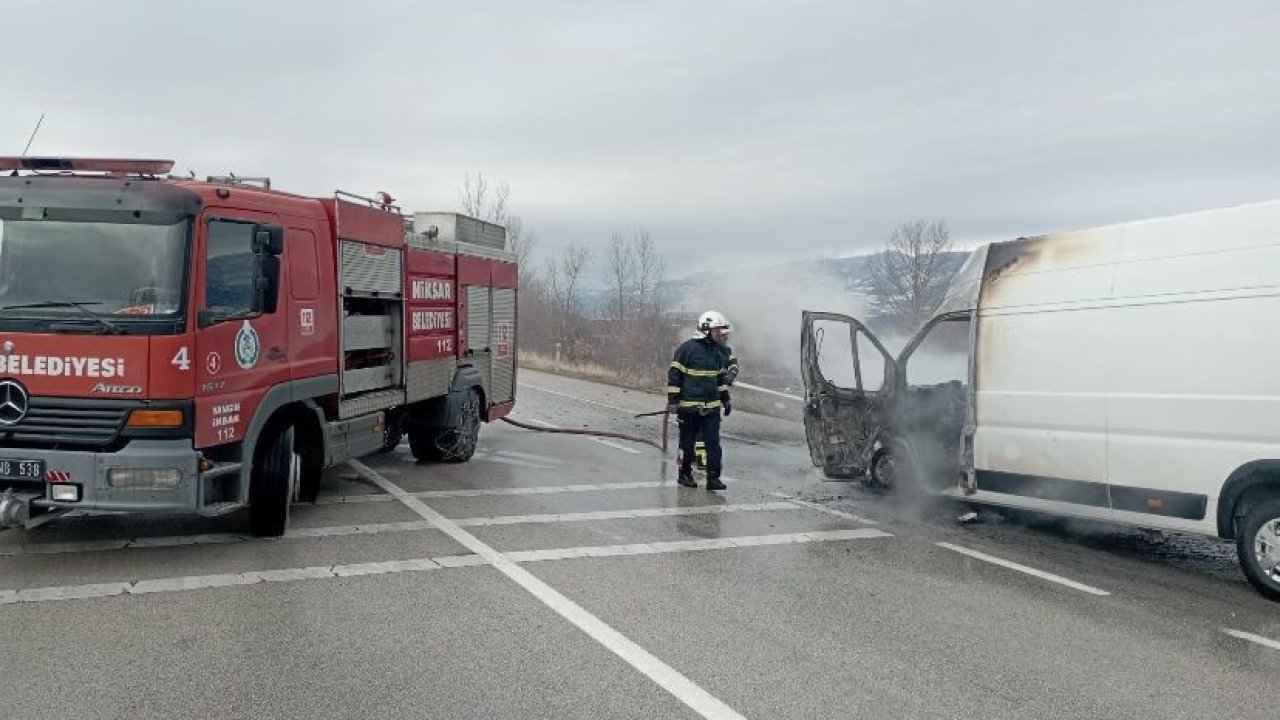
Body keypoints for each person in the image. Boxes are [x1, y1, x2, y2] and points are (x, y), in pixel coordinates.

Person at [667, 310, 739, 491]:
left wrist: (726, 398)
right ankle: (684, 474)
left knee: (713, 445)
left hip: (712, 408)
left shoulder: (719, 352)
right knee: (687, 444)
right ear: (705, 330)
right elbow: (674, 376)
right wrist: (674, 401)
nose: (720, 335)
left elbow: (719, 379)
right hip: (689, 408)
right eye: (717, 331)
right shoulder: (687, 350)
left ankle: (713, 479)